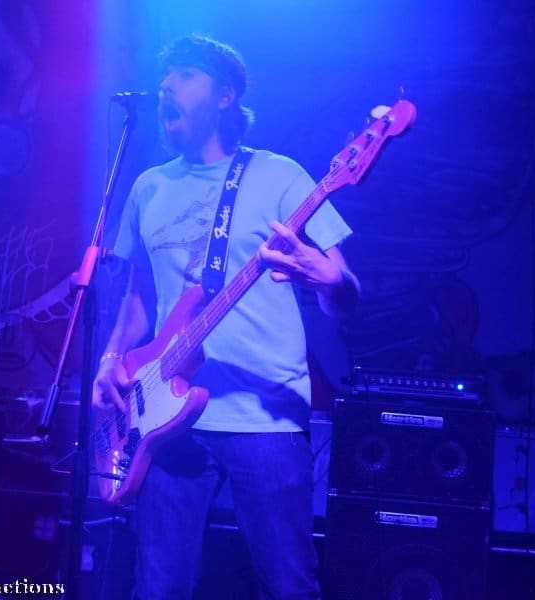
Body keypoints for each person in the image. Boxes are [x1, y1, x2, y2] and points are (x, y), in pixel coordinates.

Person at [93, 35, 360, 599]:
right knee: (157, 588)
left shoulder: (280, 175)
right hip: (162, 421)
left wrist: (332, 282)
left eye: (185, 74)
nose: (167, 85)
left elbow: (343, 293)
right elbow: (139, 297)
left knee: (287, 585)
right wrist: (111, 359)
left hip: (264, 419)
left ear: (224, 96)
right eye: (165, 76)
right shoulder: (147, 187)